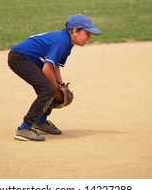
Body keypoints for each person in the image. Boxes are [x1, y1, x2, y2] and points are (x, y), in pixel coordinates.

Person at [8, 14, 102, 142]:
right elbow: (47, 69)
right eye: (87, 33)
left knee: (51, 89)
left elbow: (55, 66)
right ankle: (24, 128)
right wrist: (55, 90)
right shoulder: (62, 42)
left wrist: (60, 85)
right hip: (20, 59)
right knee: (48, 90)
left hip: (30, 60)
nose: (89, 37)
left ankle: (40, 121)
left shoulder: (67, 42)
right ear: (75, 31)